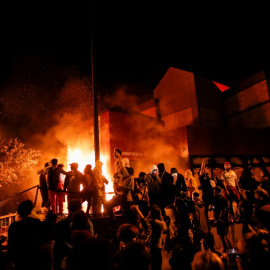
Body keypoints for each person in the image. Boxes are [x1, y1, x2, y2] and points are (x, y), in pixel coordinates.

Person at [7, 199, 43, 270]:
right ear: (30, 211)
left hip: (20, 260)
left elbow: (11, 245)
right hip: (35, 258)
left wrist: (9, 261)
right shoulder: (37, 223)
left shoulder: (14, 226)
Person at [146, 204, 167, 270]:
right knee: (157, 264)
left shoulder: (147, 221)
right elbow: (165, 229)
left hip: (148, 246)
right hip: (157, 246)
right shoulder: (161, 223)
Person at [213, 186, 232, 252]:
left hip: (222, 220)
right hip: (224, 219)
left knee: (223, 236)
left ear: (216, 191)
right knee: (224, 236)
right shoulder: (222, 198)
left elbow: (223, 208)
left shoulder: (219, 198)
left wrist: (219, 217)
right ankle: (230, 250)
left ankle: (227, 250)